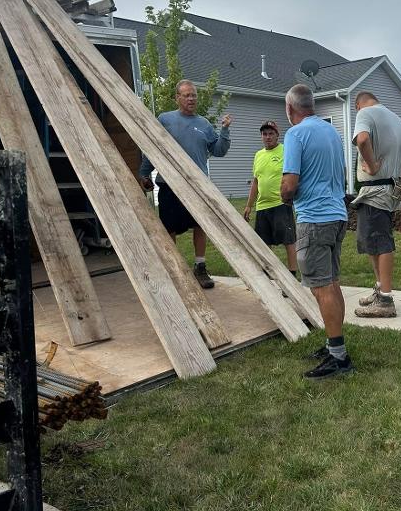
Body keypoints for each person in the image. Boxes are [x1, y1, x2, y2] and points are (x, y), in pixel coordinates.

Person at [281, 83, 353, 379]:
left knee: (321, 287)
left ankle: (339, 357)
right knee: (331, 282)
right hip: (337, 214)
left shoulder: (296, 133)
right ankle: (333, 344)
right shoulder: (330, 132)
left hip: (314, 218)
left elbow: (290, 183)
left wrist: (284, 195)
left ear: (290, 109)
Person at [139, 79, 231, 289]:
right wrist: (145, 173)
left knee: (200, 225)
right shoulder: (165, 120)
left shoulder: (204, 124)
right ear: (177, 98)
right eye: (187, 95)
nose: (191, 99)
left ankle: (200, 267)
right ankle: (174, 270)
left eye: (194, 95)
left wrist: (224, 131)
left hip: (198, 186)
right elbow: (153, 148)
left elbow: (218, 150)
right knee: (169, 228)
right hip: (170, 184)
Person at [351, 91, 401, 318]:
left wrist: (372, 165)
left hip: (376, 190)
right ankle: (379, 288)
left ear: (357, 106)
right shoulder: (396, 118)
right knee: (373, 242)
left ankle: (385, 299)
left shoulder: (365, 113)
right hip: (390, 188)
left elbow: (362, 139)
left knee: (380, 241)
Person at [243, 121, 298, 275]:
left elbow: (294, 175)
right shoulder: (258, 155)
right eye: (264, 134)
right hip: (262, 206)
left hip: (281, 204)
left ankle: (292, 275)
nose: (267, 137)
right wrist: (249, 205)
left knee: (288, 241)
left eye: (271, 134)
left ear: (277, 135)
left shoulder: (285, 151)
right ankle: (268, 274)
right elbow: (256, 181)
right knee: (264, 243)